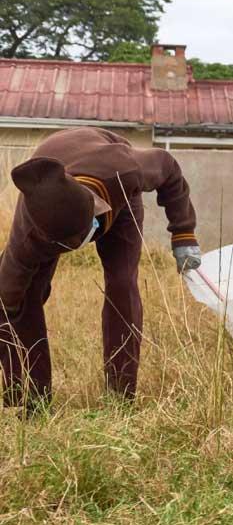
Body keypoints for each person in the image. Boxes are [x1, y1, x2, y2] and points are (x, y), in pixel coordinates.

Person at [0, 127, 200, 408]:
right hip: (48, 215)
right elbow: (8, 302)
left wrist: (183, 235)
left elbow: (169, 168)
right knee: (23, 297)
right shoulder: (29, 233)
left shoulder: (123, 170)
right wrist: (12, 370)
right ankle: (32, 399)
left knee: (122, 283)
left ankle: (121, 395)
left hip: (117, 198)